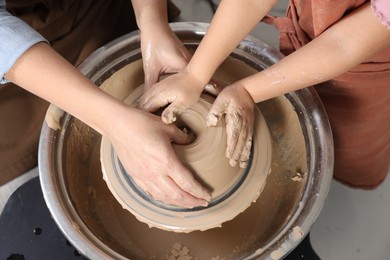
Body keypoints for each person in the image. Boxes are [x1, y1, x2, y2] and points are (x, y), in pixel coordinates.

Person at [138, 0, 390, 189]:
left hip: (367, 63)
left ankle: (337, 175)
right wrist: (195, 74)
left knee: (349, 143)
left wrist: (247, 90)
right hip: (317, 22)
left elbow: (343, 46)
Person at [0, 0, 211, 208]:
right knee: (32, 192)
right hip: (15, 60)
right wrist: (114, 123)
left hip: (98, 10)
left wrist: (153, 23)